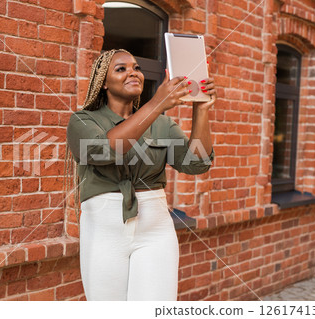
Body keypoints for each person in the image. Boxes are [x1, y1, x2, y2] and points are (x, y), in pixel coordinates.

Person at [66, 49, 216, 301]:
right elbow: (107, 151)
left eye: (136, 67)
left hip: (155, 226)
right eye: (121, 69)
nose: (133, 72)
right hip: (104, 227)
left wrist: (201, 108)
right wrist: (157, 104)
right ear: (103, 82)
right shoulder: (82, 121)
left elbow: (196, 163)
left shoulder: (162, 124)